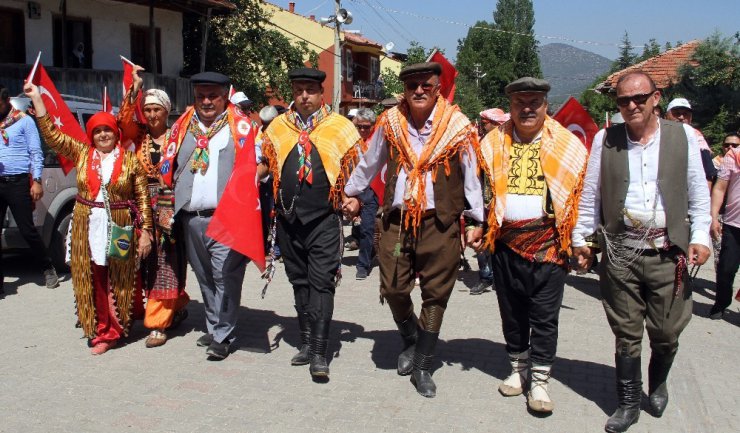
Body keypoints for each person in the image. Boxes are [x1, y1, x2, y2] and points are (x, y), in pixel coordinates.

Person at [572, 71, 711, 432]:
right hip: (621, 254)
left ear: (656, 98)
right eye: (623, 101)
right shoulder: (607, 139)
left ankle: (659, 380)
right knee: (626, 332)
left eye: (638, 98)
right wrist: (582, 240)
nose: (631, 106)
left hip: (669, 252)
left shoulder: (685, 138)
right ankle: (629, 403)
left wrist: (701, 236)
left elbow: (698, 194)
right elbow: (590, 197)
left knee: (666, 332)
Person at [343, 62, 485, 398]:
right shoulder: (391, 123)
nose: (419, 90)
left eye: (426, 85)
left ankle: (422, 364)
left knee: (436, 294)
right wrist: (349, 192)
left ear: (438, 87)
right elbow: (370, 161)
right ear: (404, 91)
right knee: (393, 287)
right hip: (397, 219)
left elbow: (471, 174)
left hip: (440, 221)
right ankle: (410, 338)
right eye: (412, 86)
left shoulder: (457, 126)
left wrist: (477, 220)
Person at [477, 77, 588, 413]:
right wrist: (475, 226)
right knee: (512, 313)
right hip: (504, 244)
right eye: (519, 102)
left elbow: (581, 197)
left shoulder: (569, 145)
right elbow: (479, 193)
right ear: (510, 106)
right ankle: (518, 370)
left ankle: (539, 382)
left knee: (543, 316)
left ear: (545, 106)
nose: (526, 109)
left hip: (550, 244)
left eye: (534, 103)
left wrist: (582, 241)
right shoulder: (490, 143)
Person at [24, 81, 153, 355]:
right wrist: (37, 98)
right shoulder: (83, 154)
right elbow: (52, 136)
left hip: (119, 226)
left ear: (116, 133)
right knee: (92, 277)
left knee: (118, 278)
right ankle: (99, 327)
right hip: (86, 225)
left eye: (108, 129)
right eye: (98, 131)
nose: (103, 135)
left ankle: (115, 330)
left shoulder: (130, 162)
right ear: (91, 135)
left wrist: (145, 233)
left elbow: (142, 199)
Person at [259, 67, 361, 380]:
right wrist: (250, 176)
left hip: (324, 219)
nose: (304, 96)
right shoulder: (278, 127)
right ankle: (304, 342)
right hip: (289, 220)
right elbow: (264, 163)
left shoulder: (340, 127)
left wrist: (355, 199)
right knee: (299, 281)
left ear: (320, 93)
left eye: (310, 91)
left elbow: (360, 170)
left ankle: (319, 351)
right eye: (299, 90)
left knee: (321, 283)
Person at [166, 71, 260, 360]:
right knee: (205, 276)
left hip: (227, 217)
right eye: (200, 96)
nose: (206, 101)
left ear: (224, 96)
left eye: (213, 96)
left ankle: (224, 334)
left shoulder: (241, 128)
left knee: (225, 275)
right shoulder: (182, 127)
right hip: (190, 217)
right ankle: (214, 324)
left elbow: (260, 163)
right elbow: (168, 167)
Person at [117, 65, 189, 348]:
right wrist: (134, 88)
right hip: (141, 202)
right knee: (143, 260)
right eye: (147, 110)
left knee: (167, 261)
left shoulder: (178, 137)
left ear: (166, 111)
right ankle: (170, 305)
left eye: (156, 110)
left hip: (170, 204)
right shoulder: (138, 136)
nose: (151, 115)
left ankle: (158, 323)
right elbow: (122, 121)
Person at [0, 85, 59, 295]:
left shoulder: (23, 120)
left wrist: (36, 181)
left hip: (17, 182)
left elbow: (35, 152)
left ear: (6, 101)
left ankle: (47, 266)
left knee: (27, 230)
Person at [470, 107, 510, 296]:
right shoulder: (482, 142)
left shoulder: (507, 143)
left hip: (501, 201)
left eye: (485, 122)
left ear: (495, 124)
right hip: (482, 201)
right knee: (481, 240)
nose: (482, 125)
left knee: (501, 243)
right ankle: (486, 276)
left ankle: (500, 278)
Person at [710, 133, 740, 319]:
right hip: (733, 224)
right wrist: (713, 217)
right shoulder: (733, 156)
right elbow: (720, 188)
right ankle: (721, 302)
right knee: (726, 269)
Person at [351, 108, 379, 280]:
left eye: (366, 127)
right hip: (353, 187)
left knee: (367, 228)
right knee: (357, 226)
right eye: (359, 126)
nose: (362, 130)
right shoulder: (352, 142)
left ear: (373, 126)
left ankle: (362, 265)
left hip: (372, 188)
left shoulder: (378, 142)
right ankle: (371, 251)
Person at [666, 98, 717, 189]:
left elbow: (707, 176)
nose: (681, 117)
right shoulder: (655, 136)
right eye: (676, 113)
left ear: (690, 118)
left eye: (685, 114)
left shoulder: (698, 140)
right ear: (666, 116)